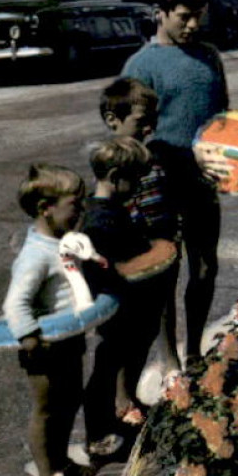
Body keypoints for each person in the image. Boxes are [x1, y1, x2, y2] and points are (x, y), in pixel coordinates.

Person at [122, 0, 230, 370]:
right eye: (184, 16)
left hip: (203, 182)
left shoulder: (209, 57)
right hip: (160, 184)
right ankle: (169, 359)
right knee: (166, 270)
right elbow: (128, 134)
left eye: (198, 16)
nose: (192, 25)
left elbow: (223, 117)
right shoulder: (141, 65)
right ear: (160, 13)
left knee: (205, 267)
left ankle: (195, 349)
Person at [2, 163, 91, 476]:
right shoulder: (35, 256)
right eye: (75, 205)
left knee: (69, 402)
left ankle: (62, 462)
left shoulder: (60, 243)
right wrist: (29, 339)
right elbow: (16, 303)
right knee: (47, 409)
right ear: (45, 209)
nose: (81, 211)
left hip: (69, 339)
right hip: (43, 346)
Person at [77, 136, 165, 459]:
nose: (139, 186)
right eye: (136, 180)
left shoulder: (106, 209)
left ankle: (112, 419)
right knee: (106, 368)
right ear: (115, 178)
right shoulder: (101, 220)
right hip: (115, 305)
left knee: (115, 362)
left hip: (121, 302)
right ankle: (98, 435)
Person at [99, 77, 180, 393]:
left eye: (153, 122)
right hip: (129, 252)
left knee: (164, 305)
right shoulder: (110, 162)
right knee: (126, 322)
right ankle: (122, 395)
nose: (150, 129)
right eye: (141, 122)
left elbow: (169, 195)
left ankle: (170, 362)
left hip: (163, 243)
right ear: (112, 120)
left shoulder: (156, 154)